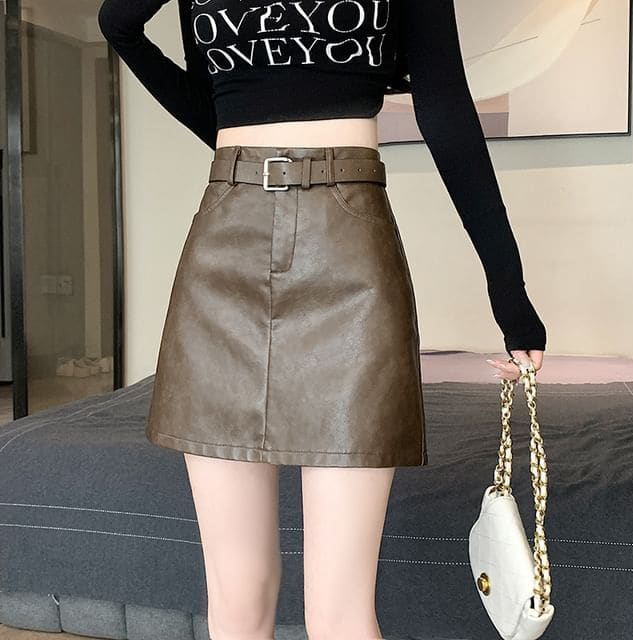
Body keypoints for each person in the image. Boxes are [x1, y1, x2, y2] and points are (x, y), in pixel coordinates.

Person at [97, 2, 546, 639]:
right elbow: (119, 23)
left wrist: (509, 290)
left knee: (338, 615)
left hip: (349, 245)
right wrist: (232, 136)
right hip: (225, 241)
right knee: (236, 597)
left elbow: (445, 107)